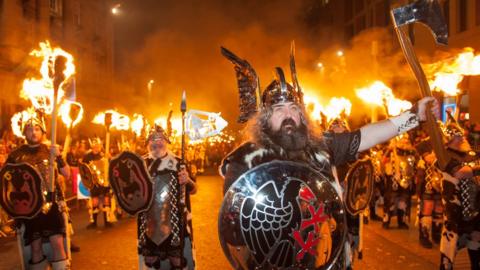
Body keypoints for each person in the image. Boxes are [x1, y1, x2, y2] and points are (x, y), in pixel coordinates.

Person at [219, 46, 439, 269]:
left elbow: (366, 135)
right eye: (279, 109)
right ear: (265, 120)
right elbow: (234, 227)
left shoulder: (321, 146)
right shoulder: (245, 159)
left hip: (324, 255)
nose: (288, 116)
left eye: (293, 108)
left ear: (302, 115)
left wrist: (413, 116)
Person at [5, 115, 70, 269]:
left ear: (42, 131)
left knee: (57, 242)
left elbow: (66, 174)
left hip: (52, 203)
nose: (33, 132)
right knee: (35, 246)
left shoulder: (51, 149)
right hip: (30, 207)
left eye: (36, 129)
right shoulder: (16, 155)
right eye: (29, 129)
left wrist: (59, 156)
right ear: (24, 133)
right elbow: (6, 182)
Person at [138, 124, 197, 269]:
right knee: (151, 263)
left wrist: (187, 180)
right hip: (148, 224)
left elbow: (194, 189)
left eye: (160, 138)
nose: (156, 142)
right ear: (147, 143)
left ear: (166, 141)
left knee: (177, 263)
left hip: (176, 223)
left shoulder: (179, 163)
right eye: (152, 139)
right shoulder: (141, 164)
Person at [433, 116, 480, 270]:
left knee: (476, 235)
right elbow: (460, 173)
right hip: (455, 206)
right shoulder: (444, 156)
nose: (463, 138)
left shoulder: (470, 153)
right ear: (450, 138)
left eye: (462, 135)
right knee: (451, 242)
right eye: (459, 136)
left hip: (475, 204)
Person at [83, 137, 114, 229]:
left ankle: (107, 221)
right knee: (95, 202)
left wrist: (110, 158)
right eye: (94, 145)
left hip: (104, 182)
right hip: (94, 183)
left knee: (106, 201)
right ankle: (94, 222)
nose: (96, 147)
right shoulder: (87, 157)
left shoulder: (105, 155)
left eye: (98, 145)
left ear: (100, 146)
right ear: (92, 146)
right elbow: (83, 169)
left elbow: (111, 166)